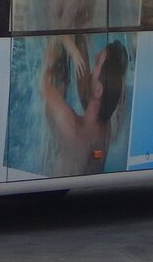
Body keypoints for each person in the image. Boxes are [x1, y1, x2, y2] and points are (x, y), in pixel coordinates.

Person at [41, 37, 128, 177]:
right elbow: (88, 92)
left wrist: (61, 40)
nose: (96, 56)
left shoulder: (70, 127)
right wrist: (79, 43)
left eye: (98, 63)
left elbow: (43, 82)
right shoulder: (106, 129)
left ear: (99, 90)